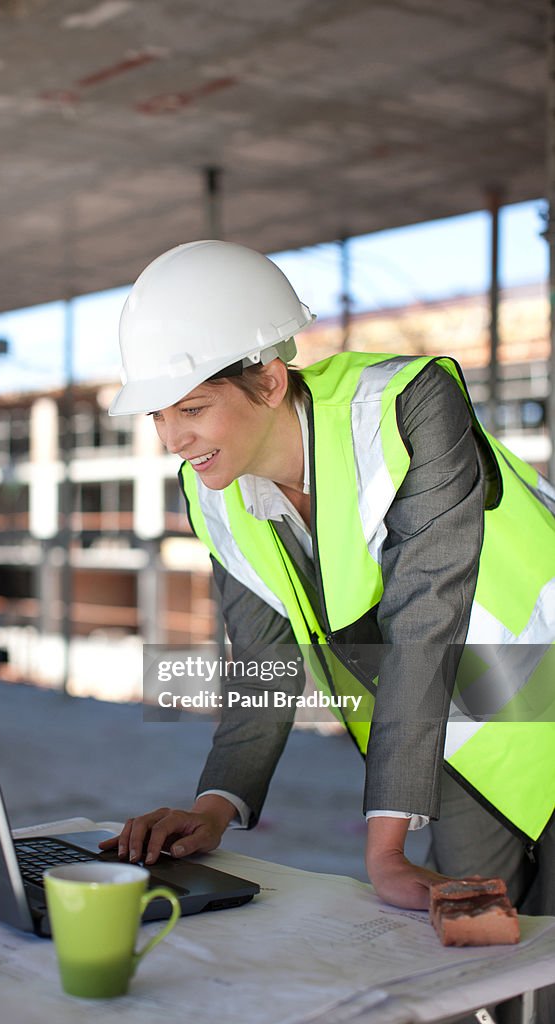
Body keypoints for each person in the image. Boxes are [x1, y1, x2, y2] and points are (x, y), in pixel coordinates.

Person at [102, 239, 555, 1016]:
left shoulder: (405, 408)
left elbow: (424, 623)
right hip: (454, 740)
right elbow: (260, 665)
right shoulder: (216, 493)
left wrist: (383, 851)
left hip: (525, 707)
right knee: (488, 974)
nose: (170, 439)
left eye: (192, 408)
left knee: (533, 964)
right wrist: (213, 808)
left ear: (270, 380)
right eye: (158, 414)